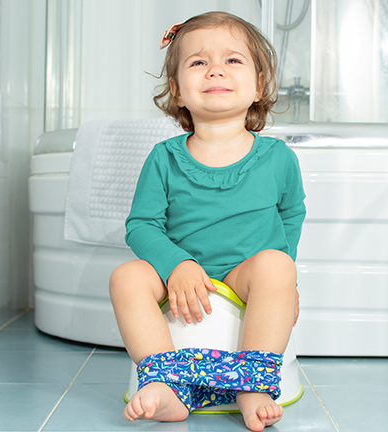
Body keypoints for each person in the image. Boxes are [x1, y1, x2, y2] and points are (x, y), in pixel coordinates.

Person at [109, 11, 306, 432]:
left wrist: (285, 285)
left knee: (276, 265)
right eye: (198, 62)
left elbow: (291, 216)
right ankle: (165, 382)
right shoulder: (164, 158)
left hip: (243, 278)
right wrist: (176, 264)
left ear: (258, 85)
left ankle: (254, 381)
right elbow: (141, 225)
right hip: (177, 282)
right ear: (178, 91)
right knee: (126, 277)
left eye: (233, 60)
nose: (215, 68)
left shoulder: (278, 158)